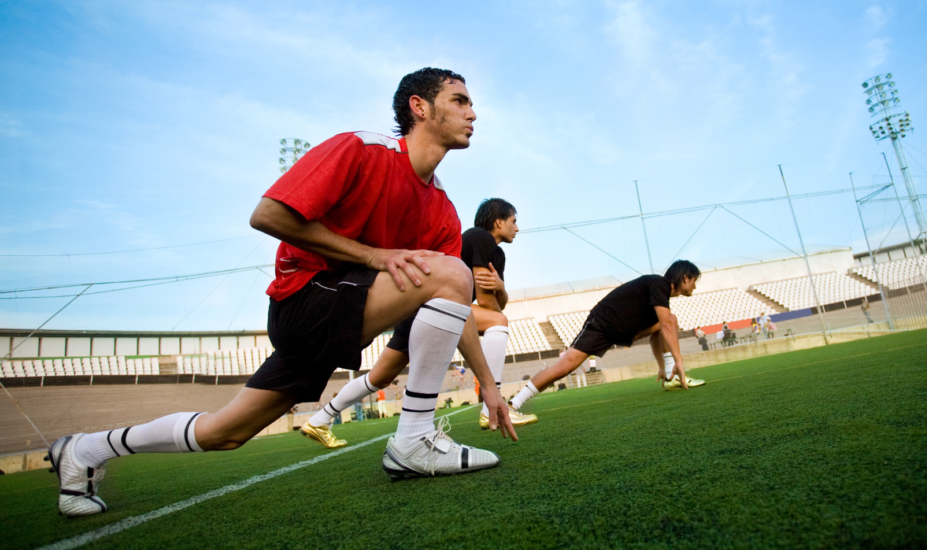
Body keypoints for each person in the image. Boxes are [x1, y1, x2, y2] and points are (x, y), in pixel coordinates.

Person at [46, 68, 518, 517]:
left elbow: (451, 300)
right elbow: (268, 214)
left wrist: (490, 390)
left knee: (225, 432)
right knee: (449, 271)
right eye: (459, 101)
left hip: (346, 308)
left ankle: (84, 449)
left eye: (471, 104)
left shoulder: (441, 206)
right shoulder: (361, 149)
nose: (472, 113)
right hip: (304, 300)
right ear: (419, 106)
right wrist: (373, 255)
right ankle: (414, 439)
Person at [299, 198, 536, 443]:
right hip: (432, 306)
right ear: (498, 222)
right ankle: (491, 410)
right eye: (513, 221)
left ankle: (319, 420)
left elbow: (497, 303)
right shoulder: (480, 238)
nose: (516, 228)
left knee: (378, 377)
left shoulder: (493, 251)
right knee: (499, 321)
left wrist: (501, 288)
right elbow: (490, 306)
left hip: (419, 307)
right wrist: (498, 294)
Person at [507, 261, 705, 416]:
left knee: (669, 319)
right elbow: (667, 326)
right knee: (562, 369)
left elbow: (658, 333)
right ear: (685, 278)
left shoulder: (661, 296)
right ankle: (513, 404)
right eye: (695, 280)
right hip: (601, 326)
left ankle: (671, 377)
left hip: (621, 330)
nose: (695, 286)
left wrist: (663, 367)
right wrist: (679, 361)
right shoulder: (659, 284)